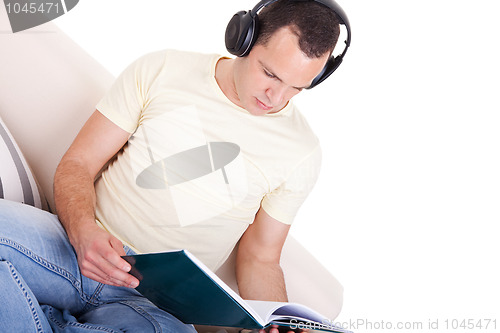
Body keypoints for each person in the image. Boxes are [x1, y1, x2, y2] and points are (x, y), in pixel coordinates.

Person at [0, 0, 348, 332]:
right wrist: (83, 231)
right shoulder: (162, 69)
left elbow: (260, 257)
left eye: (296, 88)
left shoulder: (301, 153)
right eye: (270, 74)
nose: (276, 98)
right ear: (244, 38)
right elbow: (78, 163)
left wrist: (279, 322)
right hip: (72, 247)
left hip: (155, 303)